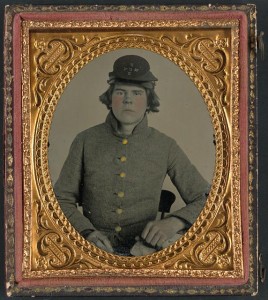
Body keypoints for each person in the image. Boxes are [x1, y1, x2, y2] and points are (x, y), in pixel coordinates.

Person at [54, 55, 210, 256]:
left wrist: (174, 222)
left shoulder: (165, 145)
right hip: (91, 252)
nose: (128, 99)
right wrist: (87, 232)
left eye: (137, 93)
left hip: (144, 253)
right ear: (110, 99)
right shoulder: (84, 140)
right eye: (120, 92)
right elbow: (60, 198)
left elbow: (207, 198)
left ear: (149, 102)